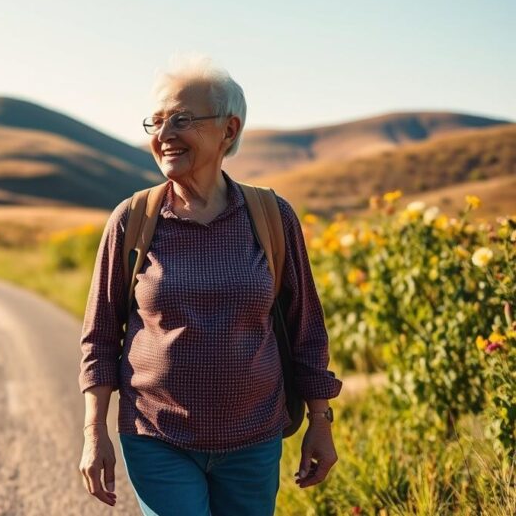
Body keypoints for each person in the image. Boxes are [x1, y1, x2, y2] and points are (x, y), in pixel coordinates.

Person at [77, 55, 342, 516]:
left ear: (229, 129)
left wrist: (320, 419)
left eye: (181, 120)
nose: (164, 134)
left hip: (254, 440)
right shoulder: (132, 220)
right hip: (156, 436)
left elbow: (306, 330)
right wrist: (93, 431)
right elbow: (99, 336)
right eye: (156, 121)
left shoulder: (271, 217)